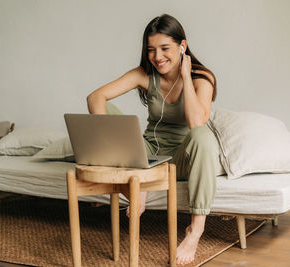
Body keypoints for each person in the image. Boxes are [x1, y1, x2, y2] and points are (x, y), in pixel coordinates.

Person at [87, 14, 220, 266]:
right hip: (146, 150)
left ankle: (195, 230)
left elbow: (197, 123)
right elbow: (95, 97)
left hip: (181, 157)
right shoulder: (145, 75)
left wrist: (186, 75)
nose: (157, 57)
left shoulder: (203, 78)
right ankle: (140, 176)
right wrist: (110, 138)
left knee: (203, 136)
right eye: (151, 50)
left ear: (182, 46)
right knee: (113, 119)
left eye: (165, 49)